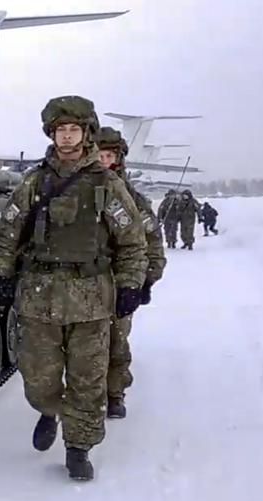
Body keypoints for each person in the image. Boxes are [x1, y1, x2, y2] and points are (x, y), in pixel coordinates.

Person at [0, 96, 148, 481]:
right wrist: (1, 272)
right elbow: (10, 231)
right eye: (61, 130)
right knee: (39, 379)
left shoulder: (105, 183)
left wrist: (130, 283)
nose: (67, 136)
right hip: (39, 294)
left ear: (86, 133)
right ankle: (50, 410)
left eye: (74, 129)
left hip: (92, 298)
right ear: (52, 133)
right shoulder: (34, 181)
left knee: (88, 379)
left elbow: (131, 240)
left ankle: (79, 447)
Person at [96, 127, 167, 419]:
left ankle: (114, 394)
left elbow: (152, 240)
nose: (102, 160)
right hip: (81, 281)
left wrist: (147, 279)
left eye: (108, 156)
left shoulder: (132, 200)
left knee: (115, 340)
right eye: (98, 154)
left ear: (118, 159)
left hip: (119, 280)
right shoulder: (76, 190)